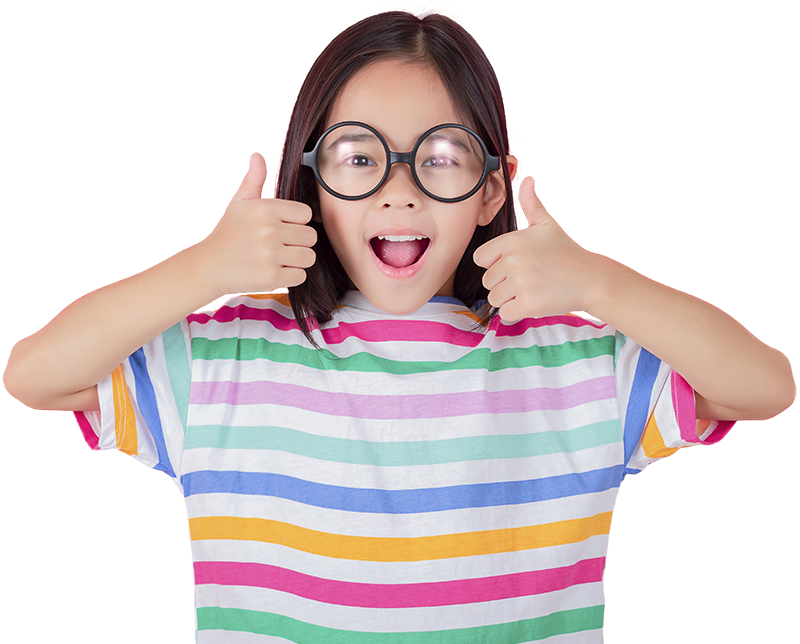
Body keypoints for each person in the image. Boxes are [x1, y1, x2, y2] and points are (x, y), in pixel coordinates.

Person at [3, 7, 795, 643]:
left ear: (494, 191)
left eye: (442, 154)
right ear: (309, 184)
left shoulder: (575, 356)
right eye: (357, 156)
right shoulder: (226, 353)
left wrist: (599, 285)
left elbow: (764, 387)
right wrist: (201, 271)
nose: (399, 191)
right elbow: (33, 376)